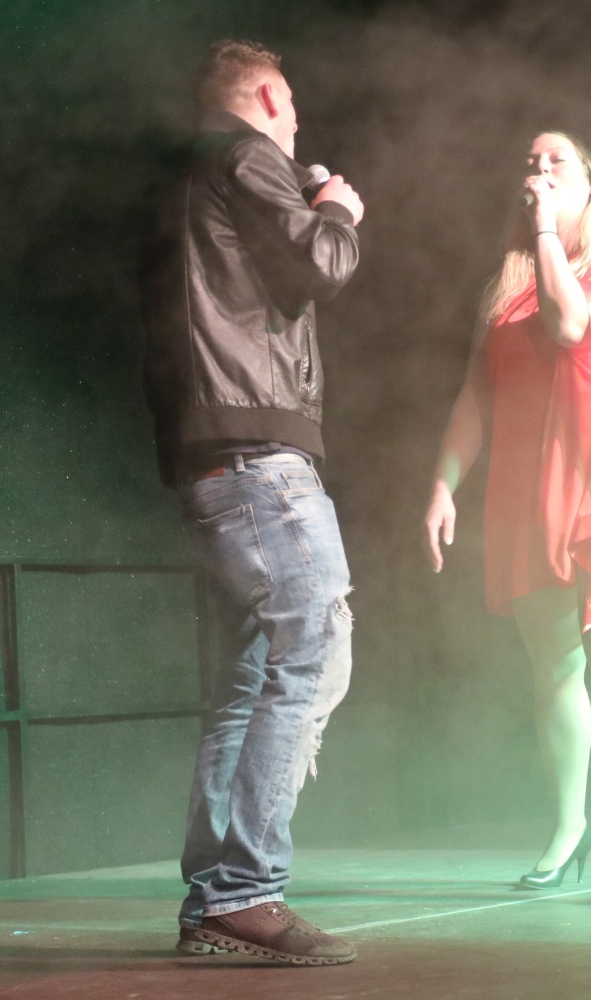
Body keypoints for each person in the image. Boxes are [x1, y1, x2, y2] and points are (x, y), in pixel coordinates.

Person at [140, 39, 364, 965]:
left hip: (209, 460)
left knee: (246, 680)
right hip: (257, 457)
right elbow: (321, 263)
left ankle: (216, 899)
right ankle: (243, 892)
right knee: (314, 648)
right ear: (269, 96)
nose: (297, 123)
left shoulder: (179, 180)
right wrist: (336, 209)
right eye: (293, 106)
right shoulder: (245, 155)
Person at [423, 132, 591, 908]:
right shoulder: (510, 289)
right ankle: (570, 827)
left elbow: (573, 327)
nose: (538, 172)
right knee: (553, 666)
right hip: (528, 485)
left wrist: (541, 232)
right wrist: (443, 484)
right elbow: (478, 394)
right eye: (530, 164)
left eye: (556, 162)